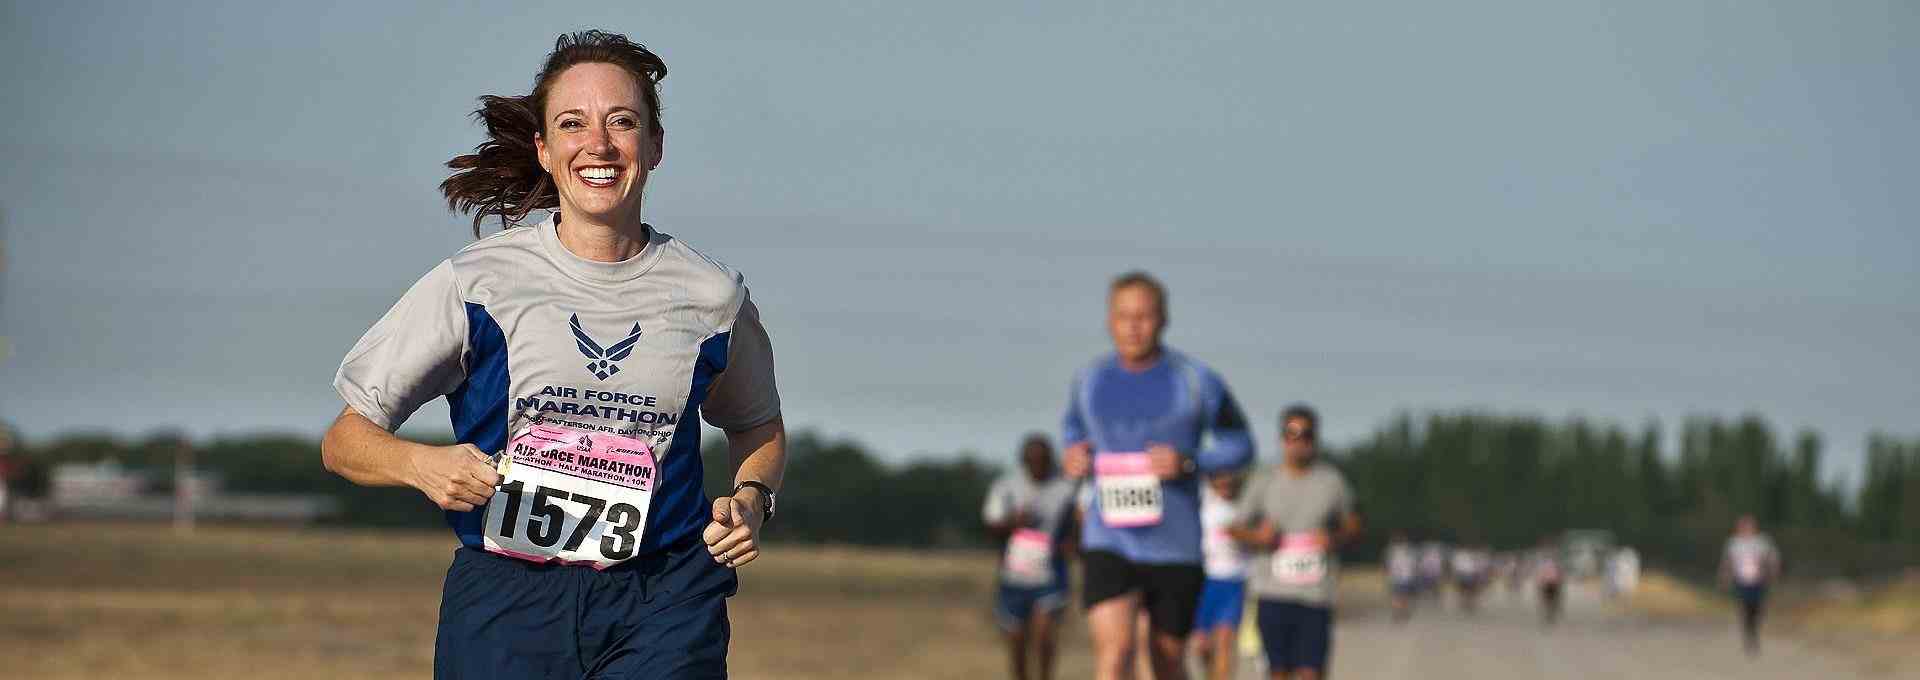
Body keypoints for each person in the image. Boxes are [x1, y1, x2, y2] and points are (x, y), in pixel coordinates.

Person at [321, 30, 785, 680]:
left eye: (621, 121)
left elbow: (757, 424)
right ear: (543, 148)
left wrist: (751, 498)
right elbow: (344, 442)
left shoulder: (713, 297)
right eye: (573, 124)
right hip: (508, 598)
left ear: (655, 145)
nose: (599, 144)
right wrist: (421, 465)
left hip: (665, 597)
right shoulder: (476, 282)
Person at [1060, 271, 1255, 680]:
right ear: (1109, 321)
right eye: (1123, 316)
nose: (1133, 327)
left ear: (1163, 319)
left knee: (1167, 661)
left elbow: (1240, 445)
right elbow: (1073, 433)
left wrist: (1189, 463)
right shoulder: (1089, 380)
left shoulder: (1196, 380)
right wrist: (1074, 456)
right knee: (1115, 653)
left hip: (1174, 545)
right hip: (1108, 538)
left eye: (1143, 316)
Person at [1227, 405, 1362, 680]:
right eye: (1292, 434)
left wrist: (1334, 538)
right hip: (1272, 592)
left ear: (1315, 439)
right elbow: (1235, 528)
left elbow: (1354, 524)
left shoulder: (1331, 481)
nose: (1299, 442)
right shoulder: (1264, 480)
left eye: (1306, 435)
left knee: (1312, 672)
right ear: (1282, 438)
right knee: (1278, 672)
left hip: (1316, 594)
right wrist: (1259, 537)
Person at [983, 434, 1080, 680]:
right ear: (1023, 461)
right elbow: (990, 526)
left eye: (1043, 461)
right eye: (1033, 461)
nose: (1038, 466)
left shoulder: (1065, 488)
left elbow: (1077, 525)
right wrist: (1013, 523)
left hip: (1050, 573)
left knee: (1044, 633)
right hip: (1014, 575)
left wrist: (1072, 543)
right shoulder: (1005, 487)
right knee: (1016, 639)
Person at [1189, 471, 1251, 680]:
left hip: (1234, 581)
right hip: (1204, 581)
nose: (1226, 483)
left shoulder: (1245, 506)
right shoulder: (1203, 501)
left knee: (1225, 643)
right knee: (1202, 646)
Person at [1718, 515, 1781, 655]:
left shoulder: (1762, 542)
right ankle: (1749, 633)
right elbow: (1727, 560)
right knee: (1745, 606)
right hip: (1741, 580)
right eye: (1743, 526)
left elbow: (1772, 558)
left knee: (1757, 607)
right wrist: (1725, 575)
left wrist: (1773, 572)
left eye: (1749, 526)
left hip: (1759, 579)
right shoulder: (1733, 543)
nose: (1746, 528)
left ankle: (1753, 629)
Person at [1382, 531, 1419, 622]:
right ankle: (1402, 611)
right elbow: (1414, 565)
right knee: (1404, 595)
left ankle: (1398, 612)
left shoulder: (1390, 552)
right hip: (1407, 577)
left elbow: (1386, 565)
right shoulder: (1409, 551)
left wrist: (1386, 574)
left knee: (1396, 596)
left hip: (1394, 577)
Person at [1533, 538, 1564, 626]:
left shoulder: (1554, 558)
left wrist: (1560, 580)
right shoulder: (1542, 558)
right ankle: (1549, 615)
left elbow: (1559, 571)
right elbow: (1539, 571)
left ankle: (1550, 614)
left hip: (1553, 582)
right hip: (1547, 582)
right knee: (1547, 600)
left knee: (1552, 600)